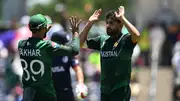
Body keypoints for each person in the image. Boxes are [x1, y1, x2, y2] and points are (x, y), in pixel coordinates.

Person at [79, 6, 140, 101]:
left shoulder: (126, 40)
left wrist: (122, 18)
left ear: (120, 25)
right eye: (107, 23)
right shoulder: (102, 40)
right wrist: (89, 23)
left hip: (120, 89)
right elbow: (79, 43)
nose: (108, 25)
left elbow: (136, 35)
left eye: (111, 23)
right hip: (105, 90)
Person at [18, 14, 81, 101]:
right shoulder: (47, 46)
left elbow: (35, 43)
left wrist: (43, 32)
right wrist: (75, 33)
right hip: (45, 95)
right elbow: (75, 50)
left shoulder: (21, 44)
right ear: (43, 28)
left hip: (28, 95)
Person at [50, 30, 86, 101]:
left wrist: (81, 83)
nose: (65, 46)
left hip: (66, 92)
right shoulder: (47, 54)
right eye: (64, 44)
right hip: (51, 93)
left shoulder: (68, 54)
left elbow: (78, 69)